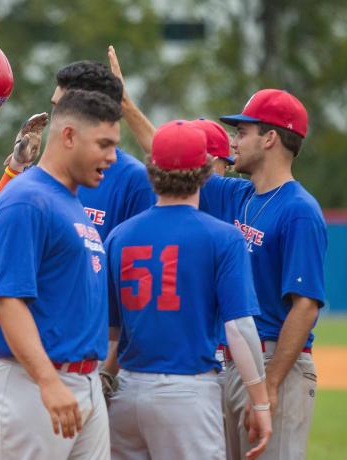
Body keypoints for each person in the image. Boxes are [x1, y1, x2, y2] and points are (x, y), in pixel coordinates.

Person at [102, 120, 272, 460]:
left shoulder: (120, 236)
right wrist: (261, 401)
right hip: (187, 392)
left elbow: (111, 331)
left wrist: (103, 381)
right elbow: (238, 329)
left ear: (152, 169)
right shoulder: (223, 237)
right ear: (205, 171)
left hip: (127, 392)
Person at [0, 89, 121, 460]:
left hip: (84, 382)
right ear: (69, 136)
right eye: (104, 144)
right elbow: (7, 299)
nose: (112, 157)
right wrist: (48, 381)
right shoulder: (26, 199)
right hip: (35, 386)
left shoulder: (69, 200)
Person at [209, 89, 327, 460]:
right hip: (236, 363)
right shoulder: (239, 196)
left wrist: (270, 384)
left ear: (270, 138)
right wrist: (126, 106)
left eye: (243, 131)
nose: (234, 141)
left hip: (276, 364)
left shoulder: (299, 211)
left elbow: (305, 306)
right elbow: (170, 161)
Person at [51, 58, 155, 241]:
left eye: (62, 110)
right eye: (54, 108)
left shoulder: (135, 179)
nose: (54, 120)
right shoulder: (41, 179)